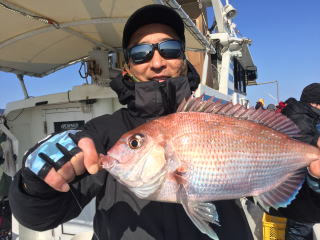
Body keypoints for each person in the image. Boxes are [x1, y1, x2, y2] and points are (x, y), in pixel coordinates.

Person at [8, 5, 320, 240]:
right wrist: (33, 184)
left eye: (169, 49)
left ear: (183, 57)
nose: (157, 61)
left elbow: (299, 210)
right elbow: (40, 218)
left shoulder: (216, 113)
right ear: (129, 65)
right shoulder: (102, 133)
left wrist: (316, 182)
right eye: (142, 53)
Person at [280, 83, 320, 240]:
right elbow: (304, 139)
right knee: (299, 230)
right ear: (315, 103)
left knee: (300, 227)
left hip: (298, 196)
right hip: (302, 198)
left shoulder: (297, 114)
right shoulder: (303, 119)